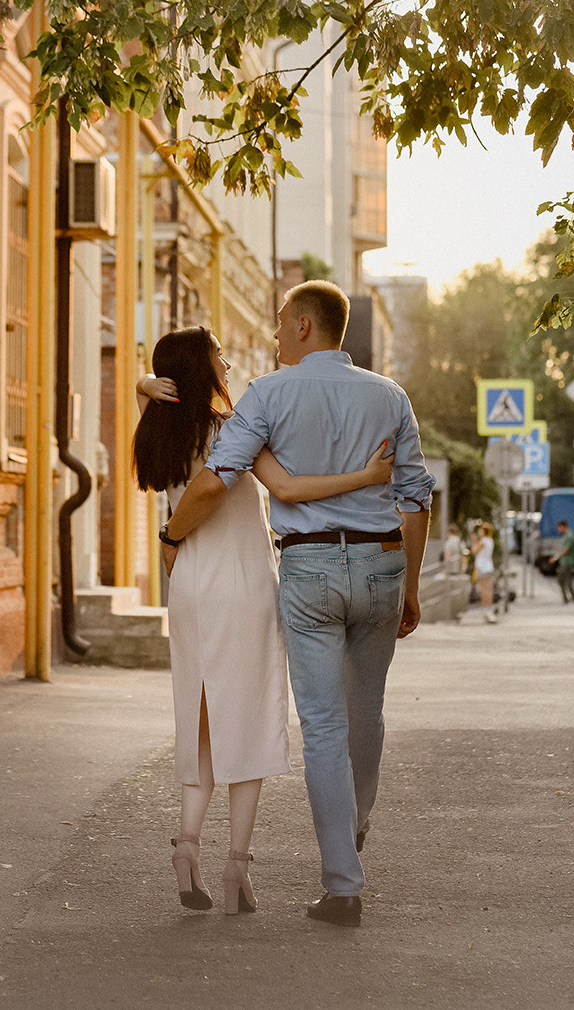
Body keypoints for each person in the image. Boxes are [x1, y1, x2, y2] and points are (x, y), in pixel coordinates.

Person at [158, 282, 435, 928]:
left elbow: (216, 475)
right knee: (365, 712)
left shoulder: (268, 394)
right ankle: (354, 821)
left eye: (281, 323)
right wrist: (411, 585)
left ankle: (343, 886)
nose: (275, 333)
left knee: (322, 726)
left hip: (307, 567)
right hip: (379, 564)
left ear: (305, 326)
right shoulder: (389, 395)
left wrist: (172, 536)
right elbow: (416, 496)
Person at [470, 522, 498, 623]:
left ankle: (486, 609)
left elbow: (474, 551)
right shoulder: (490, 541)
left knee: (484, 590)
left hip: (482, 567)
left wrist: (473, 541)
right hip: (488, 567)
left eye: (480, 531)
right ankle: (489, 609)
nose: (479, 533)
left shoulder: (483, 541)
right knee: (488, 589)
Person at [550, 519, 574, 604]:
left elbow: (566, 549)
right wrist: (557, 548)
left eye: (559, 528)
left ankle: (569, 599)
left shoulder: (569, 536)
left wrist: (555, 558)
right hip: (564, 562)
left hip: (567, 562)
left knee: (563, 580)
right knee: (566, 580)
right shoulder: (565, 535)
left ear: (563, 527)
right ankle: (570, 598)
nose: (558, 530)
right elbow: (563, 547)